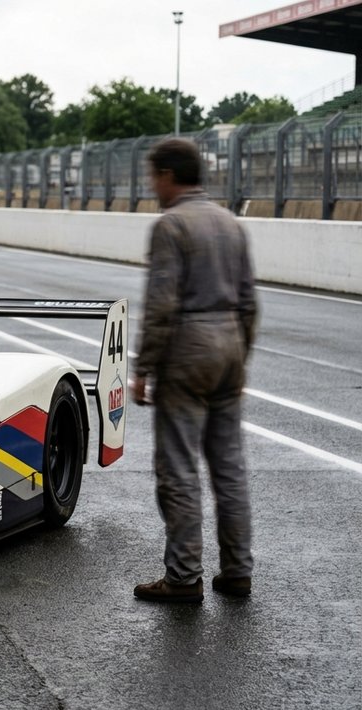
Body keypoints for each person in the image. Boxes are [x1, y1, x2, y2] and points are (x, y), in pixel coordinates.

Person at [130, 138, 258, 604]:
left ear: (167, 175)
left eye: (153, 176)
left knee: (179, 468)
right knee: (229, 468)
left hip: (188, 350)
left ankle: (183, 578)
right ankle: (237, 571)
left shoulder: (171, 225)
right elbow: (249, 301)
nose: (152, 185)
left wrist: (144, 367)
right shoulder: (230, 222)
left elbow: (161, 303)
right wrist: (239, 355)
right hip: (229, 344)